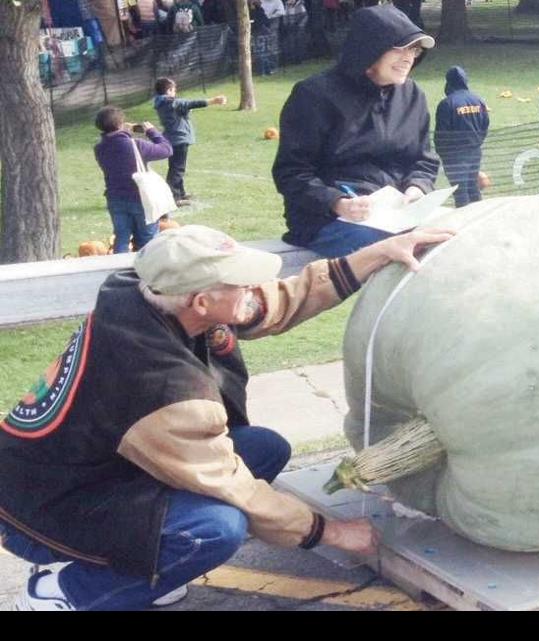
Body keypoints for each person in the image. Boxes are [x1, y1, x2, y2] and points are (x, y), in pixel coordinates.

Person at [0, 224, 454, 611]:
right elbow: (231, 484)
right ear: (200, 302)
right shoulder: (159, 386)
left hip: (95, 469)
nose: (252, 291)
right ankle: (63, 592)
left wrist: (382, 250)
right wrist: (329, 531)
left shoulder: (152, 294)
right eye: (239, 284)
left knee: (264, 448)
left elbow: (287, 298)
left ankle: (137, 561)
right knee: (215, 531)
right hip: (40, 510)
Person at [273, 4, 440, 257]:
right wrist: (338, 202)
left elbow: (423, 160)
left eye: (414, 50)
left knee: (453, 236)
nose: (408, 58)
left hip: (398, 213)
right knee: (403, 250)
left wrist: (417, 189)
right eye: (400, 48)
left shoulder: (412, 95)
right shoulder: (313, 95)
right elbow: (292, 172)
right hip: (327, 219)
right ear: (370, 48)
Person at [92, 106, 173, 253]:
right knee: (147, 240)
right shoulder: (136, 144)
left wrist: (123, 132)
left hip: (115, 198)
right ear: (119, 124)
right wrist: (152, 132)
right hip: (140, 198)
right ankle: (145, 271)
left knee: (121, 238)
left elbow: (117, 148)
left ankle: (118, 269)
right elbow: (166, 150)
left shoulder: (99, 148)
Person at [152, 77, 227, 206]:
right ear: (169, 90)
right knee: (177, 169)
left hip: (173, 138)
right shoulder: (171, 102)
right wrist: (213, 101)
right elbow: (190, 103)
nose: (175, 93)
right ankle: (174, 197)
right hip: (179, 139)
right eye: (174, 90)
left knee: (176, 167)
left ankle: (180, 192)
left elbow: (181, 109)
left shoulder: (163, 103)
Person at [434, 66, 490, 208]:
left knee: (460, 192)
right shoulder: (478, 100)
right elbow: (485, 125)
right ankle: (480, 217)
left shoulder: (447, 104)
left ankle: (463, 223)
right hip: (475, 152)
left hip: (454, 156)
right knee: (473, 187)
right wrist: (477, 142)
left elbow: (441, 134)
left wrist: (443, 154)